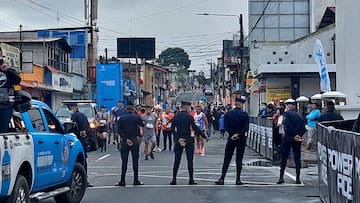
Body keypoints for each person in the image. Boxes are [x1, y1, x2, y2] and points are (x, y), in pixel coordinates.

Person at [170, 101, 208, 185]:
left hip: (179, 139)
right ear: (186, 107)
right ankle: (191, 179)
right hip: (188, 139)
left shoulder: (175, 117)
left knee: (177, 160)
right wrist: (204, 136)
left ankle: (174, 179)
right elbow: (195, 128)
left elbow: (172, 130)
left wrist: (178, 138)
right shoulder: (189, 117)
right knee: (189, 160)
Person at [214, 97, 249, 185]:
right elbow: (246, 127)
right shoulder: (244, 115)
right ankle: (238, 179)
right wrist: (239, 134)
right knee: (239, 158)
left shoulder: (228, 114)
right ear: (241, 105)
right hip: (241, 138)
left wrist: (232, 134)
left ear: (235, 104)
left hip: (231, 138)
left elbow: (225, 126)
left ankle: (222, 178)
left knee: (227, 158)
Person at [277, 99, 306, 185]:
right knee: (297, 158)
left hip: (288, 138)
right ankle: (298, 178)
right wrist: (299, 135)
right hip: (297, 139)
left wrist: (293, 135)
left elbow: (287, 126)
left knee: (284, 157)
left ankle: (281, 177)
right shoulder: (299, 116)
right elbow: (303, 128)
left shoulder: (287, 115)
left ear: (289, 107)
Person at [115, 104, 145, 186]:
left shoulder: (122, 118)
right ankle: (136, 179)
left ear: (126, 110)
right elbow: (142, 125)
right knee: (135, 160)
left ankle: (122, 180)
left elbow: (119, 131)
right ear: (133, 110)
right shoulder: (136, 117)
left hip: (125, 141)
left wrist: (125, 139)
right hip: (134, 139)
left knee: (124, 161)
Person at [70, 103, 94, 187]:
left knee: (73, 160)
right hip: (83, 140)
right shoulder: (83, 116)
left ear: (75, 108)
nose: (71, 109)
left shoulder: (74, 116)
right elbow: (88, 128)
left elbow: (71, 129)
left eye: (72, 108)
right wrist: (85, 133)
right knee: (83, 160)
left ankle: (74, 179)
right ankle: (85, 179)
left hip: (75, 140)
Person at [0, 47, 21, 133]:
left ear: (1, 53)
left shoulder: (7, 68)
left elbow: (17, 80)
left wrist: (7, 70)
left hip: (5, 107)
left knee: (2, 132)